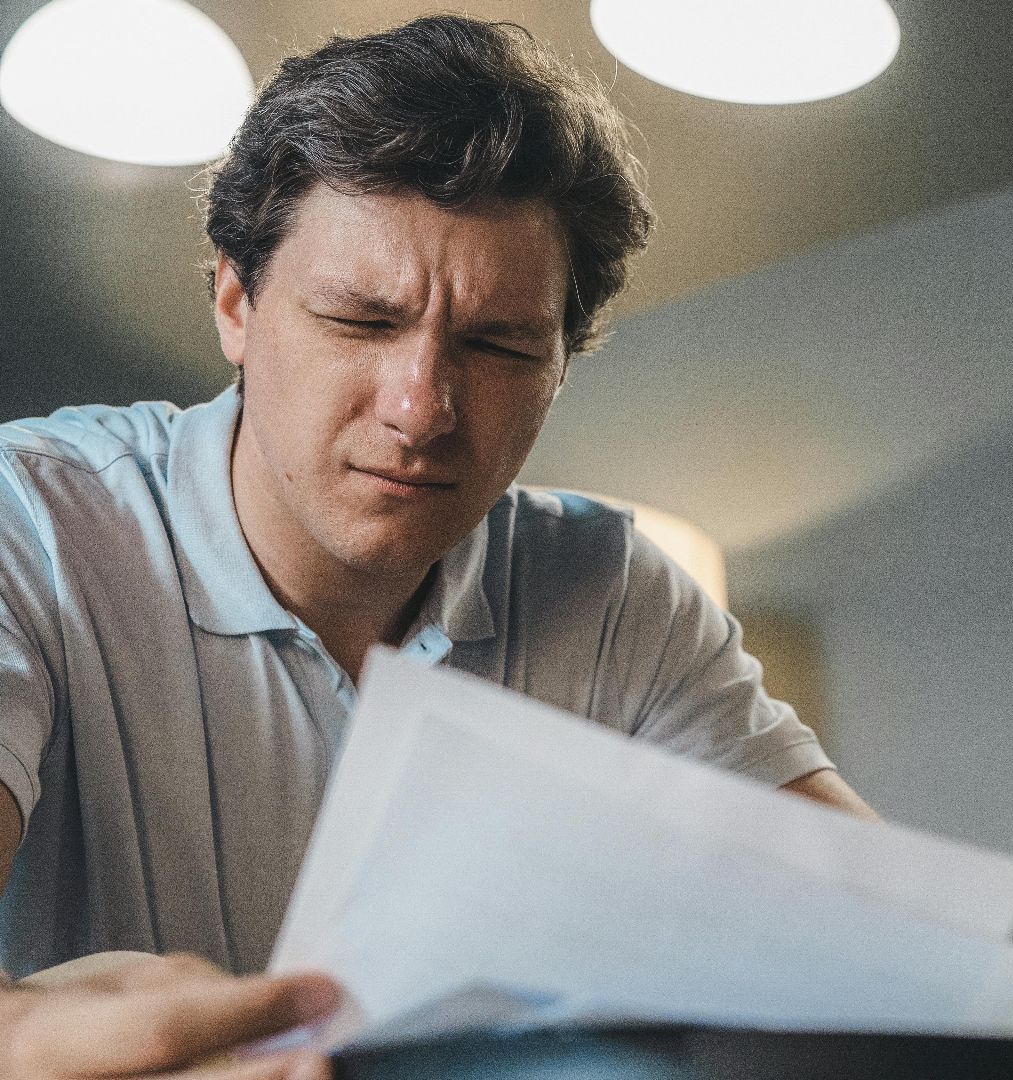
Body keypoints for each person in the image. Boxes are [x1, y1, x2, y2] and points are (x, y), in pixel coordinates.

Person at [0, 13, 871, 1078]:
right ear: (236, 302)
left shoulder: (615, 597)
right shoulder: (27, 522)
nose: (421, 408)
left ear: (560, 363)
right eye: (362, 322)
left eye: (499, 344)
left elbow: (886, 957)